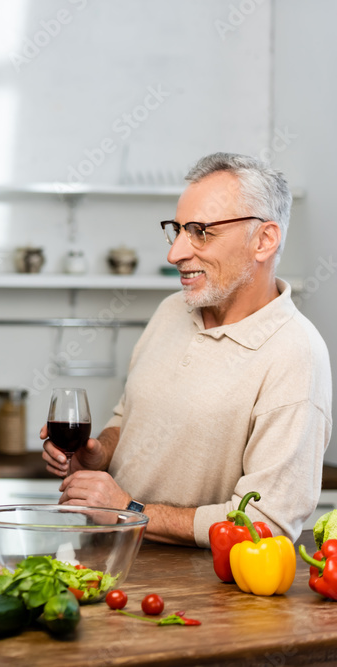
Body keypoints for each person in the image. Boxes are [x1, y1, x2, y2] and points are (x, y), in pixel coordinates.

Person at [42, 152, 332, 546]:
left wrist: (131, 510)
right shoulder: (173, 310)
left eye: (200, 231)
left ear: (263, 240)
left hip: (196, 591)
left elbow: (268, 522)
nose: (175, 253)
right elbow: (128, 415)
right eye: (177, 230)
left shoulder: (295, 354)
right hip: (108, 560)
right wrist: (100, 453)